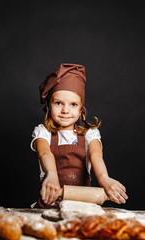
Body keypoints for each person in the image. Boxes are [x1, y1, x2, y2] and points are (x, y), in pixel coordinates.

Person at [31, 63, 128, 208]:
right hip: (51, 203)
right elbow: (45, 153)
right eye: (58, 103)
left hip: (83, 204)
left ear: (81, 109)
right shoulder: (43, 132)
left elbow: (96, 156)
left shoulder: (90, 134)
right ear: (48, 105)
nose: (65, 110)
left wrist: (104, 178)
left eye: (73, 104)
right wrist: (51, 174)